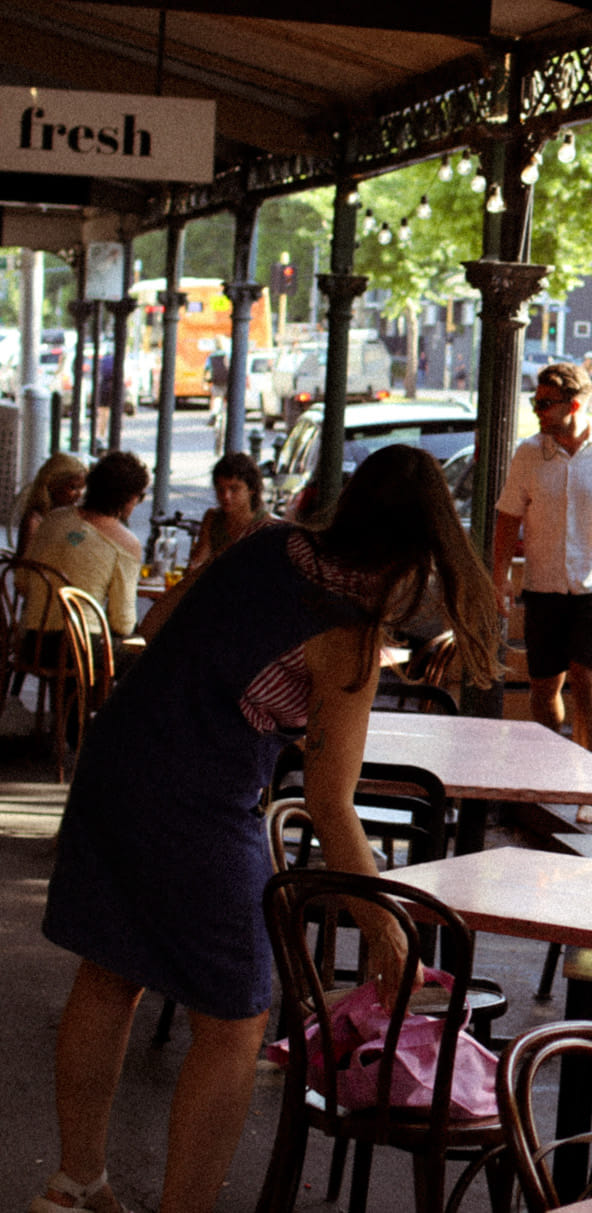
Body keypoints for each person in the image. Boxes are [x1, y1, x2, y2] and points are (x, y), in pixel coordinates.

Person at [34, 444, 498, 1213]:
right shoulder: (346, 637)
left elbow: (162, 621)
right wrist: (383, 925)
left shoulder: (267, 540)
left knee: (111, 970)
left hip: (116, 759)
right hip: (200, 800)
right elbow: (330, 801)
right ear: (422, 548)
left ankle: (74, 1183)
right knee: (236, 1013)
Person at [494, 361, 592, 822]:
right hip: (544, 584)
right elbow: (507, 517)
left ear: (574, 404)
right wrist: (500, 575)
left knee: (587, 681)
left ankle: (590, 786)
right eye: (536, 402)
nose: (538, 411)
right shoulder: (529, 453)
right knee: (545, 686)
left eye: (545, 404)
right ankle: (550, 775)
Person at [24, 451, 150, 640]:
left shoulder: (52, 518)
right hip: (81, 650)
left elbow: (21, 581)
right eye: (139, 497)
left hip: (30, 642)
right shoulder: (126, 543)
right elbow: (123, 623)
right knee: (143, 652)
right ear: (128, 497)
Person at [186, 452, 275, 572]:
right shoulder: (212, 518)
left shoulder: (266, 524)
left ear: (252, 489)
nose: (226, 496)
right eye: (220, 490)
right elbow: (199, 561)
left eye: (234, 489)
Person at [15, 452, 87, 550]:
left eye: (81, 488)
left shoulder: (69, 516)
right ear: (53, 485)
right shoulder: (35, 521)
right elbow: (24, 561)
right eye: (73, 488)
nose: (79, 494)